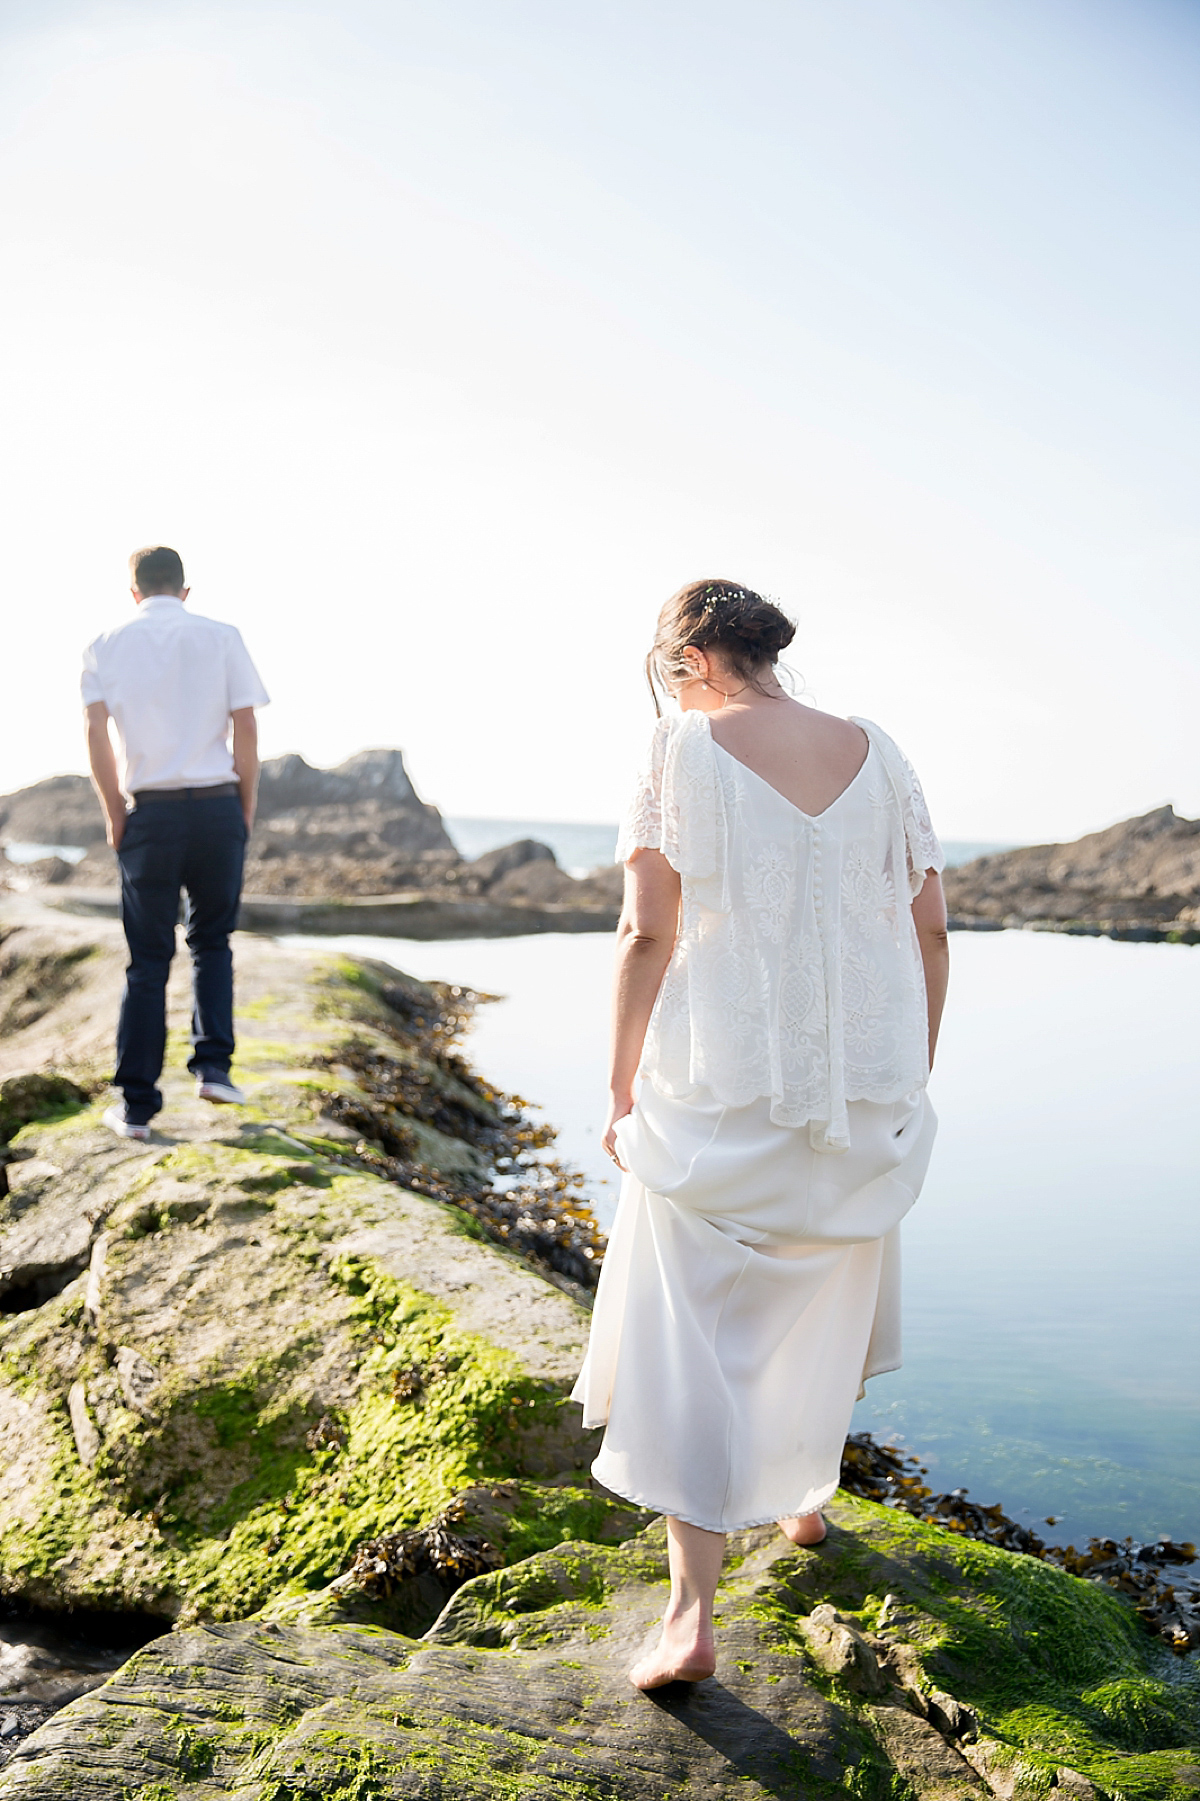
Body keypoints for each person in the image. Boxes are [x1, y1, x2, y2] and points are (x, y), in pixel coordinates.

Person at [571, 579, 949, 1690]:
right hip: (864, 1082)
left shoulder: (680, 749)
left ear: (691, 654)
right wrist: (904, 1074)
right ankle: (804, 1499)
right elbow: (930, 932)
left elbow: (648, 931)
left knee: (692, 1335)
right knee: (822, 1289)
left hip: (724, 1084)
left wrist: (618, 1080)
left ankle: (692, 1616)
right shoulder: (880, 751)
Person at [81, 546, 270, 1141]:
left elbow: (95, 733)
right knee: (212, 942)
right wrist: (242, 807)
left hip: (151, 815)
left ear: (133, 591)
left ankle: (137, 1109)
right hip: (217, 808)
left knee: (147, 962)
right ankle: (214, 1068)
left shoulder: (104, 644)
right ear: (185, 590)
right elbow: (246, 725)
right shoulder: (221, 635)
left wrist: (115, 813)